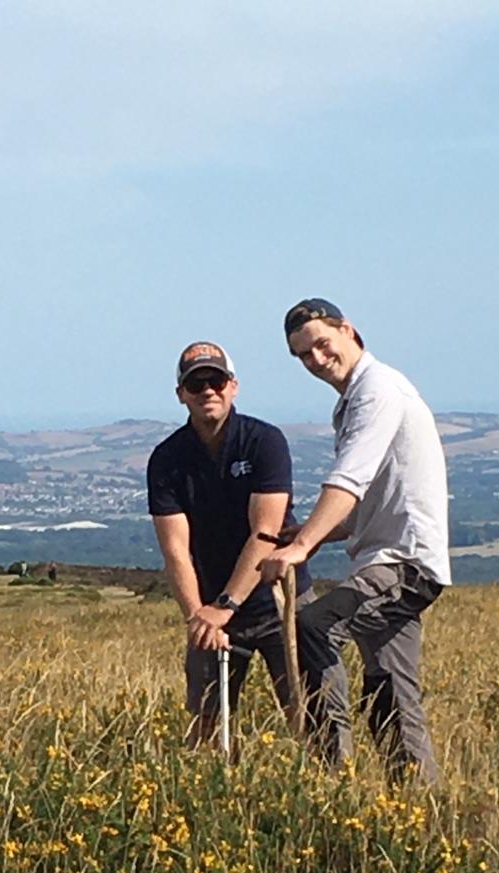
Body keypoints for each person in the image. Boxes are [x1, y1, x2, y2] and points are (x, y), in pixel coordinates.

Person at [259, 299, 450, 783]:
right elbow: (371, 503)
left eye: (322, 344)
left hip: (402, 564)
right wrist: (313, 534)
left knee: (314, 627)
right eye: (304, 355)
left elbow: (349, 481)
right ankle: (416, 799)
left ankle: (331, 770)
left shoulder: (376, 390)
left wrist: (301, 547)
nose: (317, 360)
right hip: (393, 559)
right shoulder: (358, 398)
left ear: (348, 330)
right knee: (392, 690)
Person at [147, 341, 313, 748]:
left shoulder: (264, 441)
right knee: (205, 722)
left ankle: (326, 779)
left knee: (309, 713)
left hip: (279, 601)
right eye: (196, 383)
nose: (208, 390)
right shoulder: (167, 459)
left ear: (233, 386)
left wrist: (226, 605)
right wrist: (198, 618)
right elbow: (175, 549)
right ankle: (208, 782)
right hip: (211, 605)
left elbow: (265, 533)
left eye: (216, 381)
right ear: (181, 394)